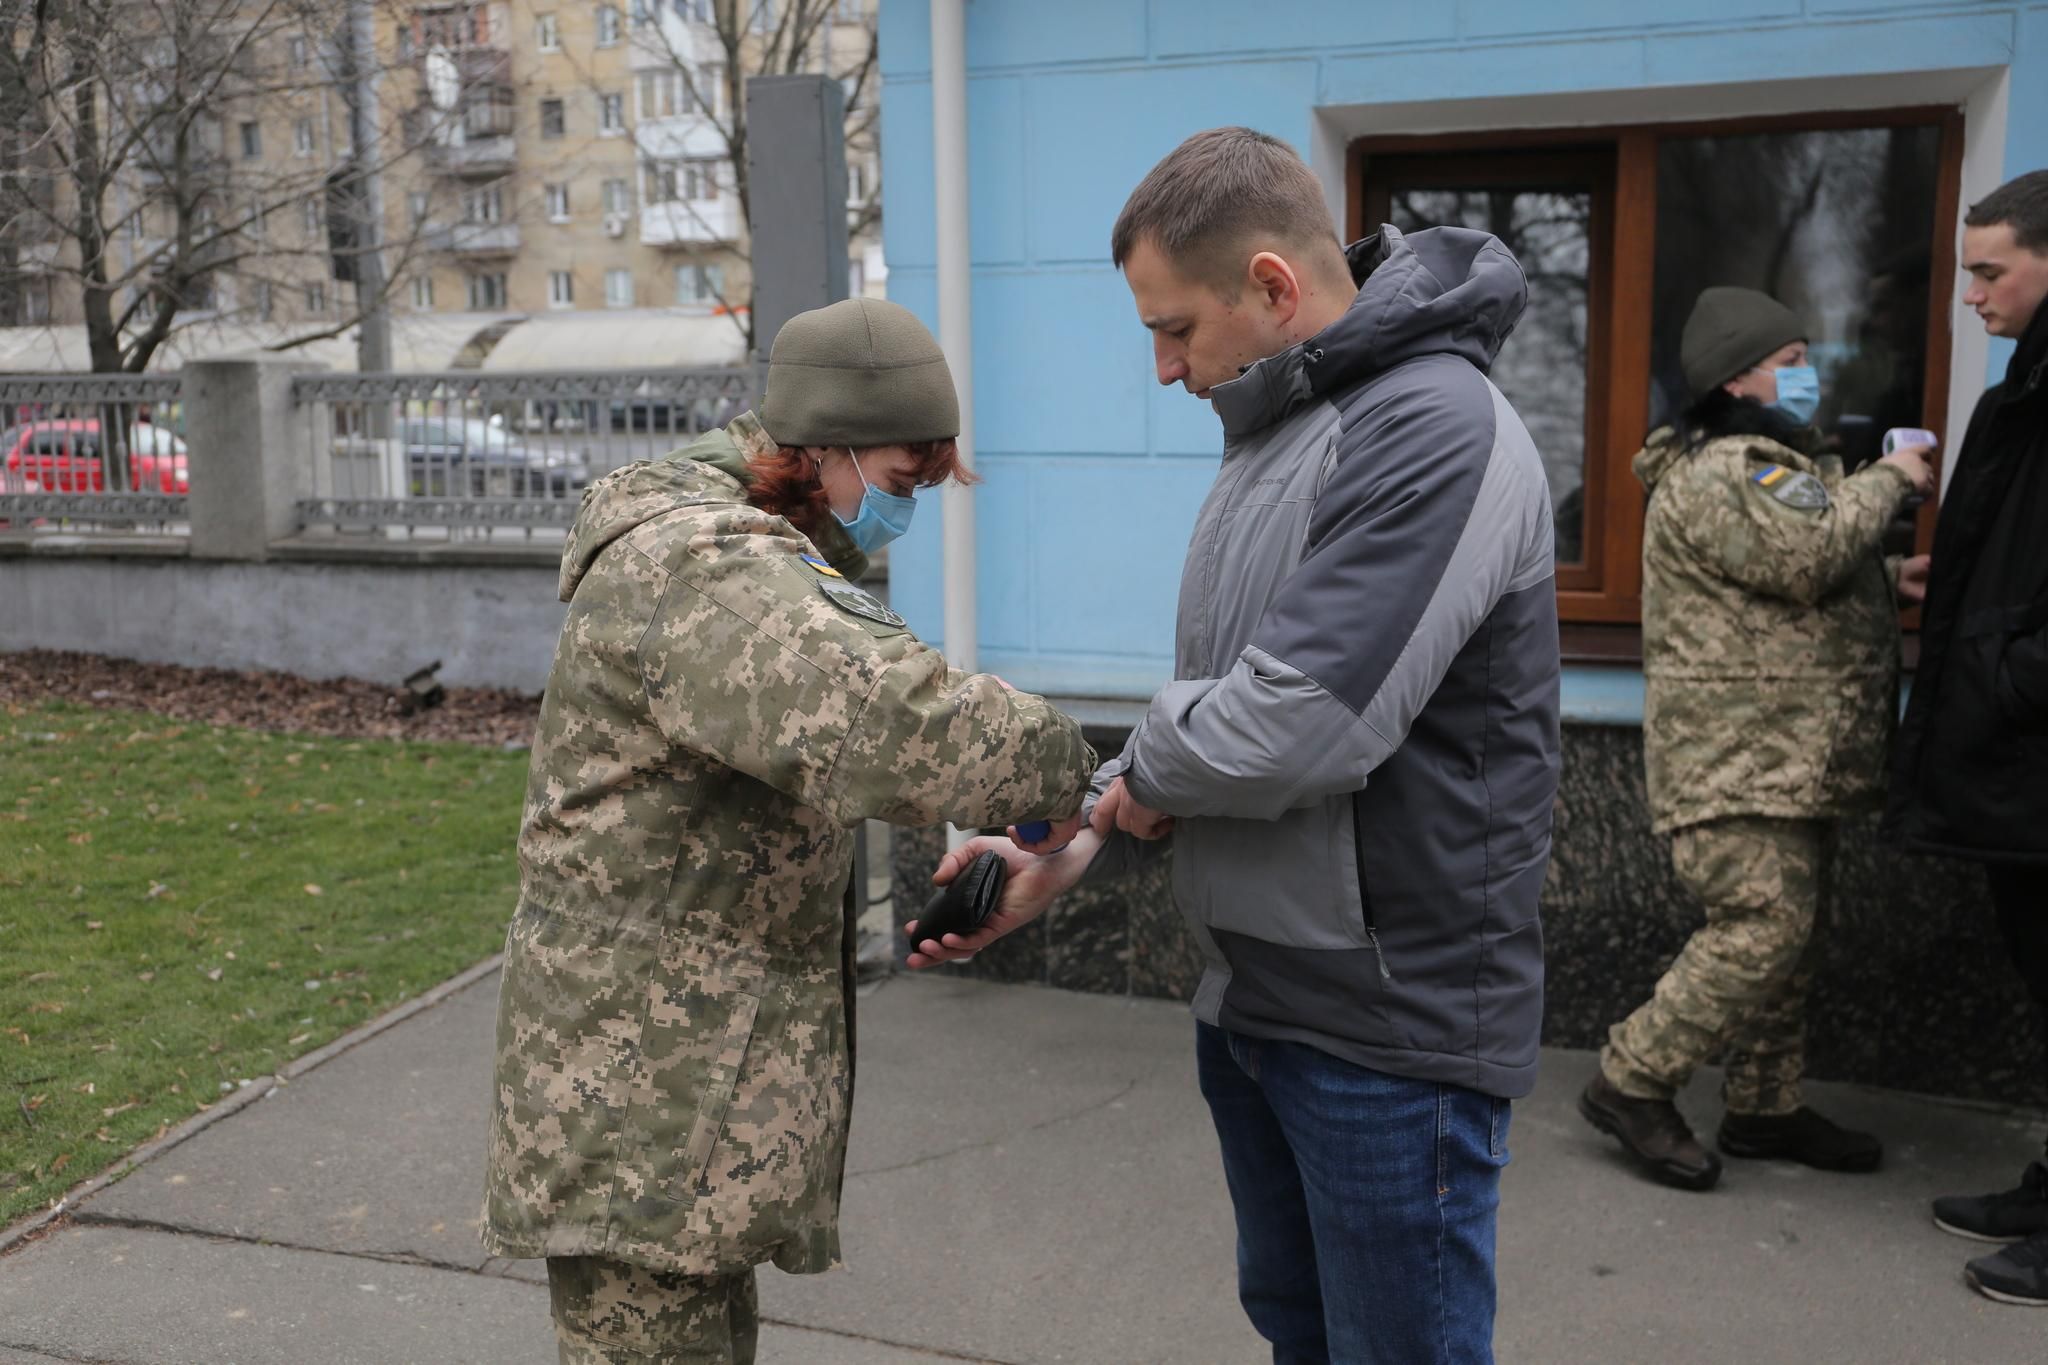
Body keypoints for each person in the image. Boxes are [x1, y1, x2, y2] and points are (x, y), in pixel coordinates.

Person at [910, 126, 1561, 1364]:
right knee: (1301, 1337)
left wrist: (1134, 784)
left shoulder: (1432, 426)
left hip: (1387, 1032)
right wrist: (1082, 830)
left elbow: (1296, 725)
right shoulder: (1283, 433)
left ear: (1271, 286)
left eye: (1173, 328)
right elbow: (1221, 699)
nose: (1162, 368)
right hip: (1262, 1001)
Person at [480, 297, 1098, 1364]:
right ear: (829, 447)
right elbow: (899, 728)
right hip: (640, 1118)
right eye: (903, 482)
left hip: (679, 1115)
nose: (906, 510)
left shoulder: (749, 554)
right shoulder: (703, 570)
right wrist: (1082, 786)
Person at [1577, 286, 1935, 1192]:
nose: (1808, 376)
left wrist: (1890, 572)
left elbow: (1773, 585)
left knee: (1793, 936)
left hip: (1784, 755)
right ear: (1738, 377)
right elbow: (1805, 558)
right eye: (1793, 360)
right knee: (1762, 925)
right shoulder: (1736, 465)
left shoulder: (1766, 467)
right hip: (1740, 758)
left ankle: (1766, 1106)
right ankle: (1632, 1077)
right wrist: (1893, 479)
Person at [1884, 168, 2048, 1307]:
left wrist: (2005, 669)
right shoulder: (2022, 387)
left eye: (1989, 272)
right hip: (2013, 752)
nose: (1970, 297)